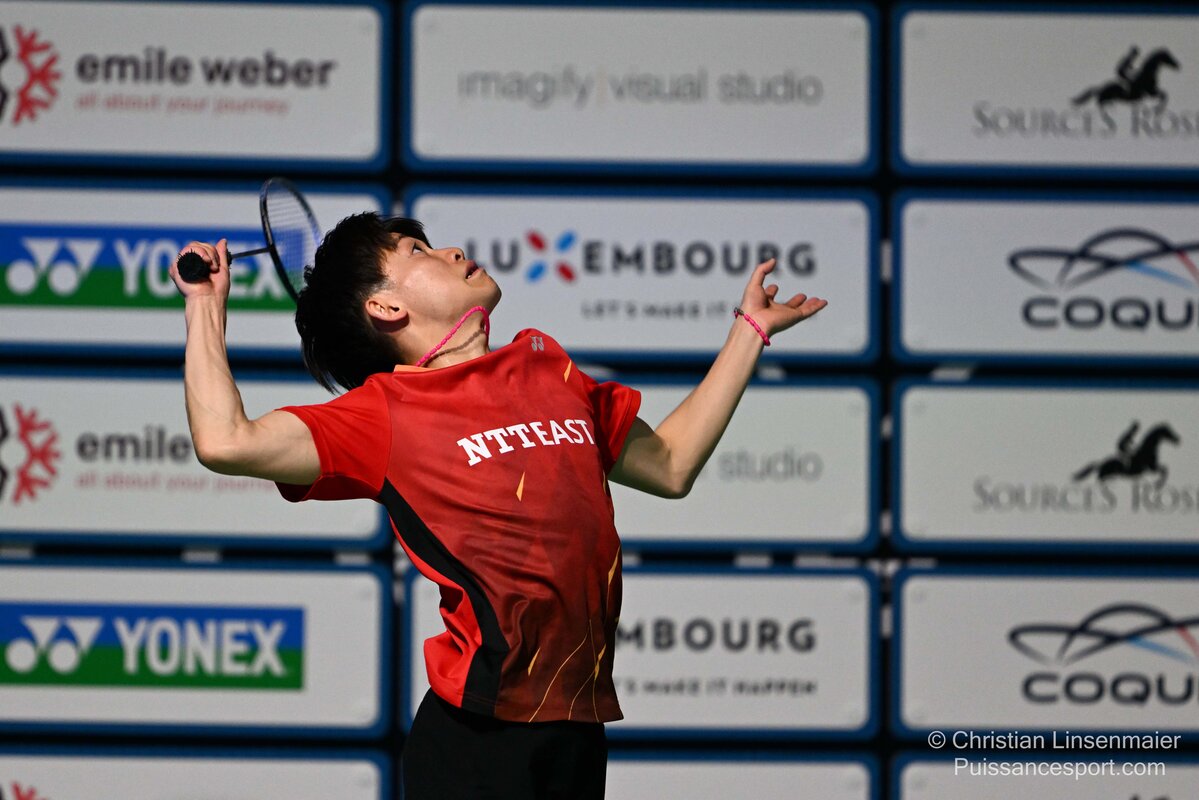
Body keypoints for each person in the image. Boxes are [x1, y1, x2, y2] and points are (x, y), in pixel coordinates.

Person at [171, 213, 826, 799]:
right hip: (477, 738)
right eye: (417, 251)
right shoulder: (383, 414)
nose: (451, 251)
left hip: (578, 726)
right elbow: (226, 441)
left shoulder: (549, 370)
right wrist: (205, 306)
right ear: (386, 307)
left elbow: (672, 465)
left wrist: (749, 332)